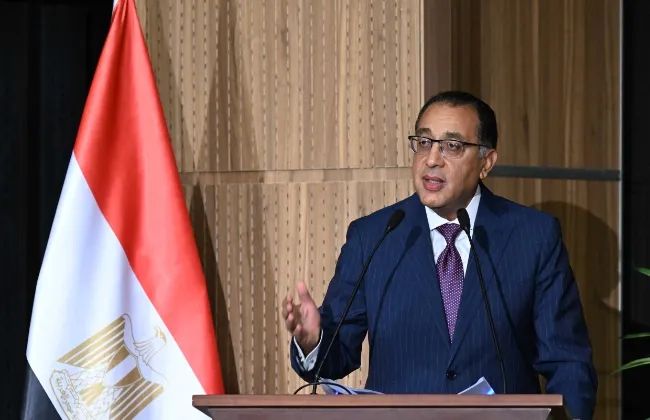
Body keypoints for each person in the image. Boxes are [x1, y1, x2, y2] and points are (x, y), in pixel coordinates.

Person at [282, 90, 597, 419]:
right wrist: (313, 341)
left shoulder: (533, 236)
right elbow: (335, 357)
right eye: (424, 142)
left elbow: (568, 361)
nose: (432, 159)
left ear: (486, 162)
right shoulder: (374, 236)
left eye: (452, 146)